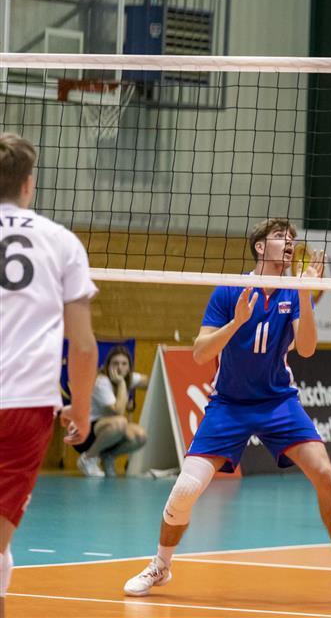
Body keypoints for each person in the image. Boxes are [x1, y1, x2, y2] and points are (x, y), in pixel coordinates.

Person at [123, 218, 331, 606]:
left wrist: (305, 293)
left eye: (292, 238)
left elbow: (305, 349)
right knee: (185, 489)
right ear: (259, 247)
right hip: (229, 405)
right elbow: (201, 353)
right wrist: (237, 322)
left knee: (324, 474)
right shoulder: (229, 289)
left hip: (278, 402)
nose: (289, 242)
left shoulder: (292, 292)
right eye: (280, 237)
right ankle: (161, 565)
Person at [0, 132, 98, 614]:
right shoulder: (61, 241)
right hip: (26, 406)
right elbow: (83, 345)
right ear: (28, 184)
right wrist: (80, 410)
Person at [73, 345, 149, 477]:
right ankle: (88, 458)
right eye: (115, 363)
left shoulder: (128, 377)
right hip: (83, 435)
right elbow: (118, 411)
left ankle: (108, 456)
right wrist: (122, 384)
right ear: (108, 366)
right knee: (120, 422)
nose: (120, 368)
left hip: (106, 431)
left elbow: (148, 381)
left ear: (129, 367)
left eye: (124, 364)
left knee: (140, 436)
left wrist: (165, 357)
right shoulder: (102, 382)